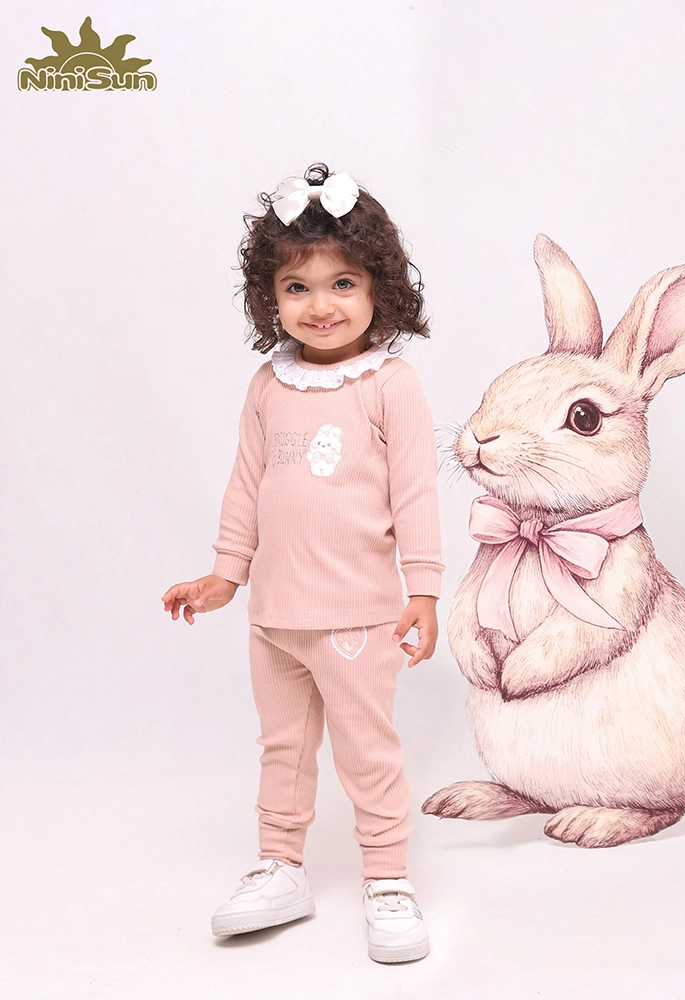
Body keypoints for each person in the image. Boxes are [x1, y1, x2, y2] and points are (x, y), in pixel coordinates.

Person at [161, 163, 443, 964]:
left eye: (343, 283)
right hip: (274, 617)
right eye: (297, 288)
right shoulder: (268, 385)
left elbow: (416, 492)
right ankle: (280, 868)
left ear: (381, 286)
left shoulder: (391, 385)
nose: (321, 305)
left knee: (366, 750)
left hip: (358, 616)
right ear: (270, 298)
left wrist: (423, 590)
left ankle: (387, 879)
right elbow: (246, 484)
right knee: (282, 748)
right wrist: (225, 575)